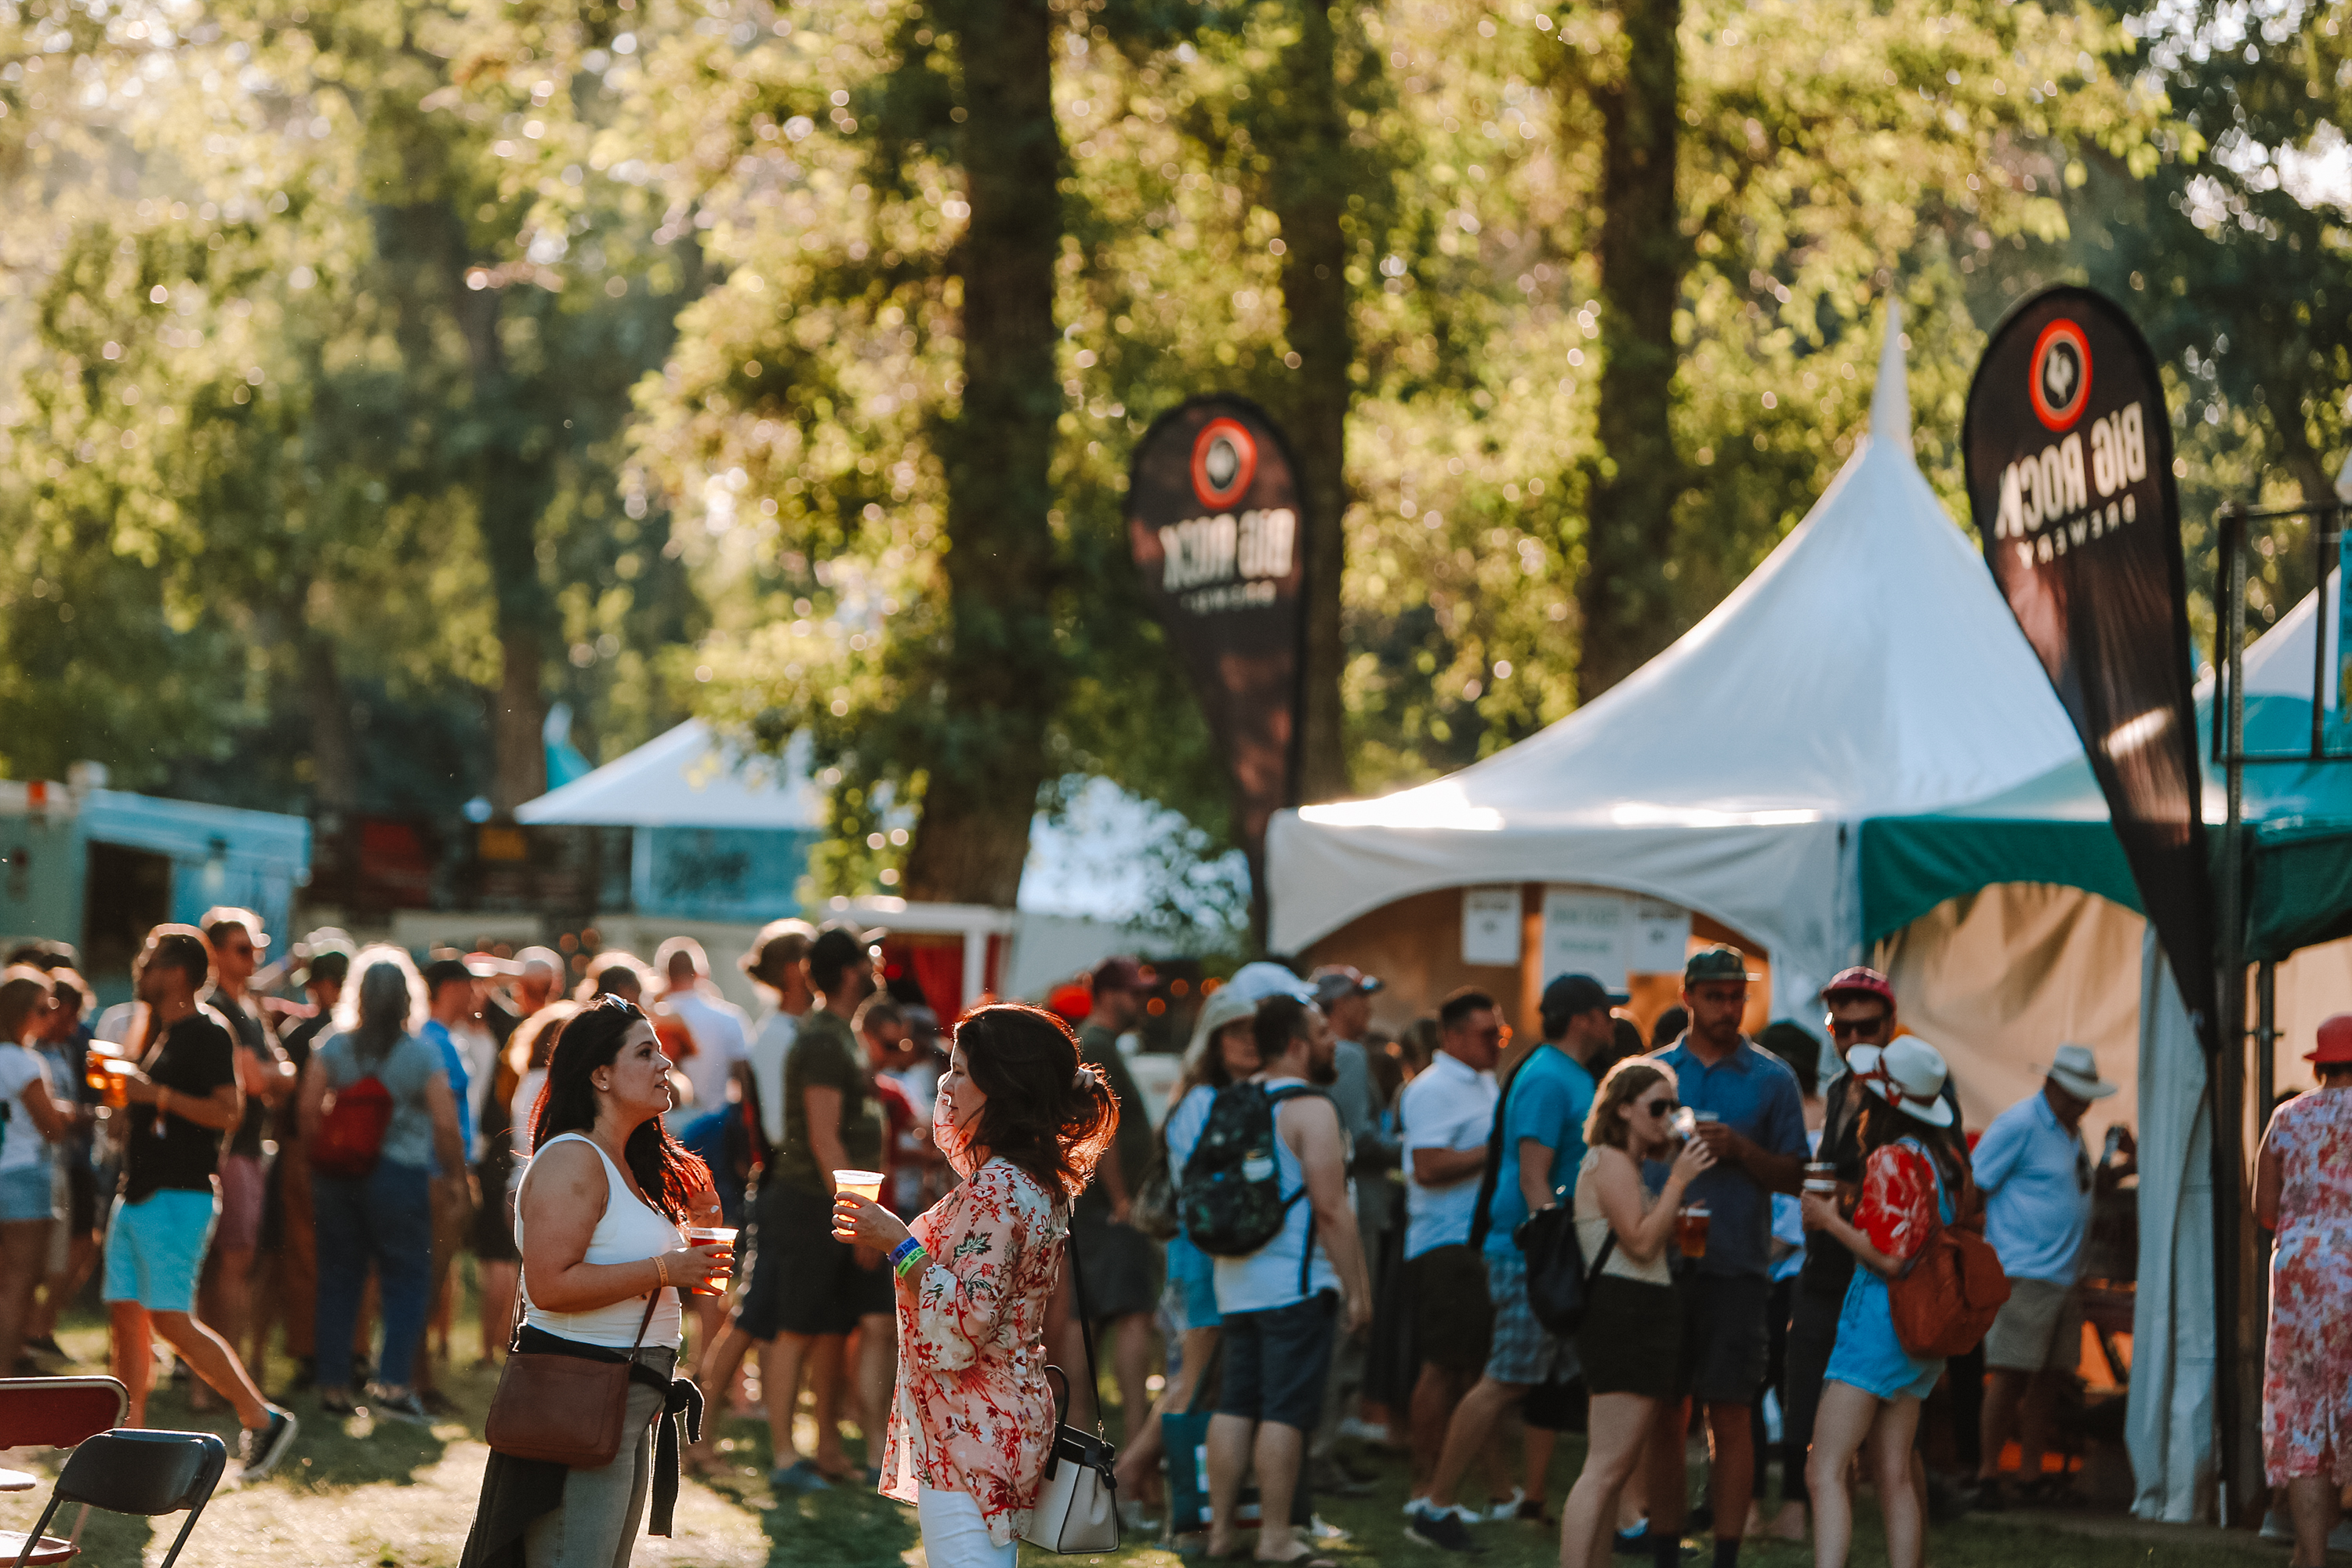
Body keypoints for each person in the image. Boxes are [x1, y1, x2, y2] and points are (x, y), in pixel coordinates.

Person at [826, 1004, 1113, 1566]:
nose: (944, 1082)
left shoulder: (999, 1188)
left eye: (959, 1069)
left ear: (1000, 1085)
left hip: (975, 1429)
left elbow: (964, 1324)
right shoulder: (1030, 1177)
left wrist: (898, 1243)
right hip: (998, 1419)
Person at [459, 996, 729, 1568]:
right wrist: (666, 1269)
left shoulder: (629, 1161)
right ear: (601, 1075)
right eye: (646, 1052)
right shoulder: (572, 1160)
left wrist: (696, 1235)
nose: (665, 1065)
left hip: (629, 1391)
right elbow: (550, 1286)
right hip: (579, 1391)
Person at [1410, 975, 1617, 1548]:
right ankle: (1435, 1505)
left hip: (1554, 1252)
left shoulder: (1567, 1074)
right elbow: (1533, 1175)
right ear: (1582, 1019)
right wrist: (1552, 1258)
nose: (1611, 1023)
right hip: (1533, 1253)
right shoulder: (1549, 1077)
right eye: (1605, 1013)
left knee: (1598, 1381)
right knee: (1505, 1380)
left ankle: (1626, 1519)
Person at [104, 925, 299, 1476]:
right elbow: (140, 1114)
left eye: (149, 960)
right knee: (126, 1317)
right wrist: (122, 1102)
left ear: (176, 972)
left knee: (170, 1320)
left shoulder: (208, 1032)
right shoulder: (156, 1030)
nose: (139, 969)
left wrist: (154, 1093)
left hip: (179, 1195)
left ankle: (261, 1417)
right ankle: (127, 1439)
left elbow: (228, 1113)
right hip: (137, 1192)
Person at [1643, 947, 1809, 1568]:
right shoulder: (1654, 1073)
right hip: (1661, 1266)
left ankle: (1726, 1556)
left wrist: (1743, 1150)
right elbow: (1621, 1157)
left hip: (1738, 1267)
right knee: (1665, 1414)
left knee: (1732, 1415)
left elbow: (1796, 1175)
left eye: (1737, 996)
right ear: (1688, 998)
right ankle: (1664, 1551)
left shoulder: (1772, 1078)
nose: (1728, 1007)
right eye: (1715, 996)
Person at [1204, 995, 1372, 1568]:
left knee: (1235, 1404)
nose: (1333, 1043)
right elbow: (1331, 1209)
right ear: (1297, 1043)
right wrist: (1358, 1289)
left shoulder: (1234, 1100)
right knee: (1284, 1411)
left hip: (1235, 1281)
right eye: (1323, 1032)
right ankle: (1277, 1538)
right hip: (1294, 1287)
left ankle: (1221, 1533)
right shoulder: (1312, 1109)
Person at [1800, 1036, 1969, 1568]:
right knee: (1895, 1472)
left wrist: (1829, 1221)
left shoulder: (1892, 1158)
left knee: (1823, 1469)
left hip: (1878, 1325)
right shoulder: (1938, 1159)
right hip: (1916, 1337)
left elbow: (1891, 1259)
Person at [737, 922, 891, 1490]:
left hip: (827, 1205)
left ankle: (827, 1451)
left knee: (829, 1329)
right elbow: (825, 1138)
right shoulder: (824, 1037)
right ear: (850, 970)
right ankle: (783, 1458)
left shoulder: (841, 1033)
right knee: (793, 1329)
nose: (877, 965)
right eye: (869, 957)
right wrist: (859, 1216)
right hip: (807, 1203)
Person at [1559, 1058, 1716, 1568]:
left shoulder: (1626, 1163)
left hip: (1638, 1309)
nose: (1668, 1115)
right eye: (1657, 1106)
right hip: (1623, 1313)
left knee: (1614, 1468)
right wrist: (1679, 1179)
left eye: (1675, 1105)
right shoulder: (1609, 1161)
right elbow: (1643, 1244)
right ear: (1624, 1108)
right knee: (1605, 1467)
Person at [300, 948, 466, 1422]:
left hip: (338, 1178)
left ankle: (333, 1388)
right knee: (406, 1279)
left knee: (338, 1278)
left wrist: (323, 1157)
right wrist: (455, 1175)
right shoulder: (420, 1052)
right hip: (399, 1175)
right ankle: (393, 1385)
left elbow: (308, 1110)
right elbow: (445, 1124)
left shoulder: (333, 1045)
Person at [1112, 983, 1260, 1514]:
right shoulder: (1201, 1100)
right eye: (1234, 1032)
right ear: (1213, 1041)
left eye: (1254, 1031)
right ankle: (1154, 1487)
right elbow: (1207, 1186)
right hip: (1200, 1255)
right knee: (1194, 1380)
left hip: (1231, 1260)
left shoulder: (1246, 1095)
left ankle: (1160, 1485)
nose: (1247, 1041)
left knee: (1206, 1380)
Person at [685, 920, 816, 1475]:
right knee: (750, 1321)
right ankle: (699, 1441)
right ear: (795, 970)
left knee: (755, 1320)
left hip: (787, 1193)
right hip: (783, 1193)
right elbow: (788, 1132)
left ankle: (706, 1441)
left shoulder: (792, 1030)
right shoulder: (779, 1035)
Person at [1970, 1041, 2114, 1508]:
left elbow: (2079, 1189)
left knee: (2048, 1380)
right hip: (2024, 1272)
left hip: (2061, 1276)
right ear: (2052, 1086)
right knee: (2011, 1375)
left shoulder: (2070, 1131)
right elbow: (1975, 1185)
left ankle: (2029, 1475)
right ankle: (1989, 1474)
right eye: (2076, 1093)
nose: (2083, 1102)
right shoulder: (2020, 1125)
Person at [1395, 988, 1501, 1519]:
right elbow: (1428, 1167)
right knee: (1441, 1367)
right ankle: (1423, 1488)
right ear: (1453, 1036)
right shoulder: (1434, 1089)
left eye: (1500, 1031)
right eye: (1488, 1033)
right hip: (1444, 1243)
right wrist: (1499, 1149)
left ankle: (1468, 1486)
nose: (1498, 1042)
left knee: (1470, 1367)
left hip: (1474, 1242)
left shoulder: (1482, 1079)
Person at [2255, 1012, 2352, 1568]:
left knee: (2304, 1411)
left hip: (2300, 1279)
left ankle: (2310, 1557)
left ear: (2321, 1063)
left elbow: (2264, 1210)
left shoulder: (2286, 1118)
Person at [196, 907, 295, 1399]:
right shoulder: (218, 1008)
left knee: (229, 1264)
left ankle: (212, 1377)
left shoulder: (248, 1006)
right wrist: (274, 1076)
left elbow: (277, 1073)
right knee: (233, 1261)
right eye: (242, 948)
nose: (253, 957)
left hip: (248, 1149)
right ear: (212, 951)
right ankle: (214, 1383)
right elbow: (261, 1078)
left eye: (258, 946)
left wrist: (273, 1076)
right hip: (231, 1152)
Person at [1309, 964, 1401, 1484]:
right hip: (1354, 1204)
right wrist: (1410, 1148)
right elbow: (1356, 1139)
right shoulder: (1346, 1055)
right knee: (1349, 1324)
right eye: (1361, 996)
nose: (1368, 1007)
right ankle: (1320, 1452)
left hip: (1337, 1202)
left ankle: (1325, 1446)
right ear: (1338, 1004)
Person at [1068, 956, 1163, 1454]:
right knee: (1130, 1315)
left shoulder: (1101, 1043)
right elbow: (1096, 1127)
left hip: (1101, 1209)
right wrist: (1125, 1199)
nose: (1140, 1001)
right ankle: (1127, 1448)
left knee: (1098, 1320)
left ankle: (1092, 1446)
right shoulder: (1096, 1043)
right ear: (1106, 995)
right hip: (1110, 1211)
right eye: (1132, 992)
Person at [1749, 1019, 1824, 1541]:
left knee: (1785, 1391)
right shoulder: (1773, 1112)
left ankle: (1784, 1507)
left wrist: (1766, 1246)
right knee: (1762, 1387)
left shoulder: (1817, 1121)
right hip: (1769, 1267)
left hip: (1794, 1270)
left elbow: (1808, 1206)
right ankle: (1761, 1504)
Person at [262, 938, 348, 1392]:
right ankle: (349, 1352)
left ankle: (309, 1353)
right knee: (349, 1259)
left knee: (303, 1257)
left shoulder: (304, 1033)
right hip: (356, 1160)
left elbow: (287, 1102)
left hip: (303, 1152)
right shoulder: (364, 1032)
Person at [417, 956, 485, 1412]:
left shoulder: (442, 1038)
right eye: (469, 987)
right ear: (450, 987)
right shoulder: (432, 1039)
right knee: (427, 1280)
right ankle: (415, 1381)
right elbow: (444, 1122)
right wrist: (458, 1178)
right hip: (438, 1175)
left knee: (434, 1282)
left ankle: (419, 1379)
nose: (475, 997)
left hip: (443, 1171)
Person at [27, 967, 101, 1372]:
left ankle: (37, 1329)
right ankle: (26, 1336)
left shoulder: (65, 1048)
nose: (72, 1026)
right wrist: (79, 1116)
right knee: (32, 1259)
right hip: (41, 1166)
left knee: (75, 1247)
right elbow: (51, 1118)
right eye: (63, 1015)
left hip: (71, 1163)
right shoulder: (25, 1053)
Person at [0, 969, 71, 1377]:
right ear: (21, 1013)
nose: (50, 1017)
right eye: (45, 1009)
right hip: (24, 1175)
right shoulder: (24, 1061)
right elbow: (52, 1128)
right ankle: (6, 1375)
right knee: (19, 1284)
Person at [654, 937, 752, 1131]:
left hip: (666, 1128)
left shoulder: (651, 1018)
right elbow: (745, 1082)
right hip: (718, 1127)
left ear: (666, 976)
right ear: (702, 973)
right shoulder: (731, 1017)